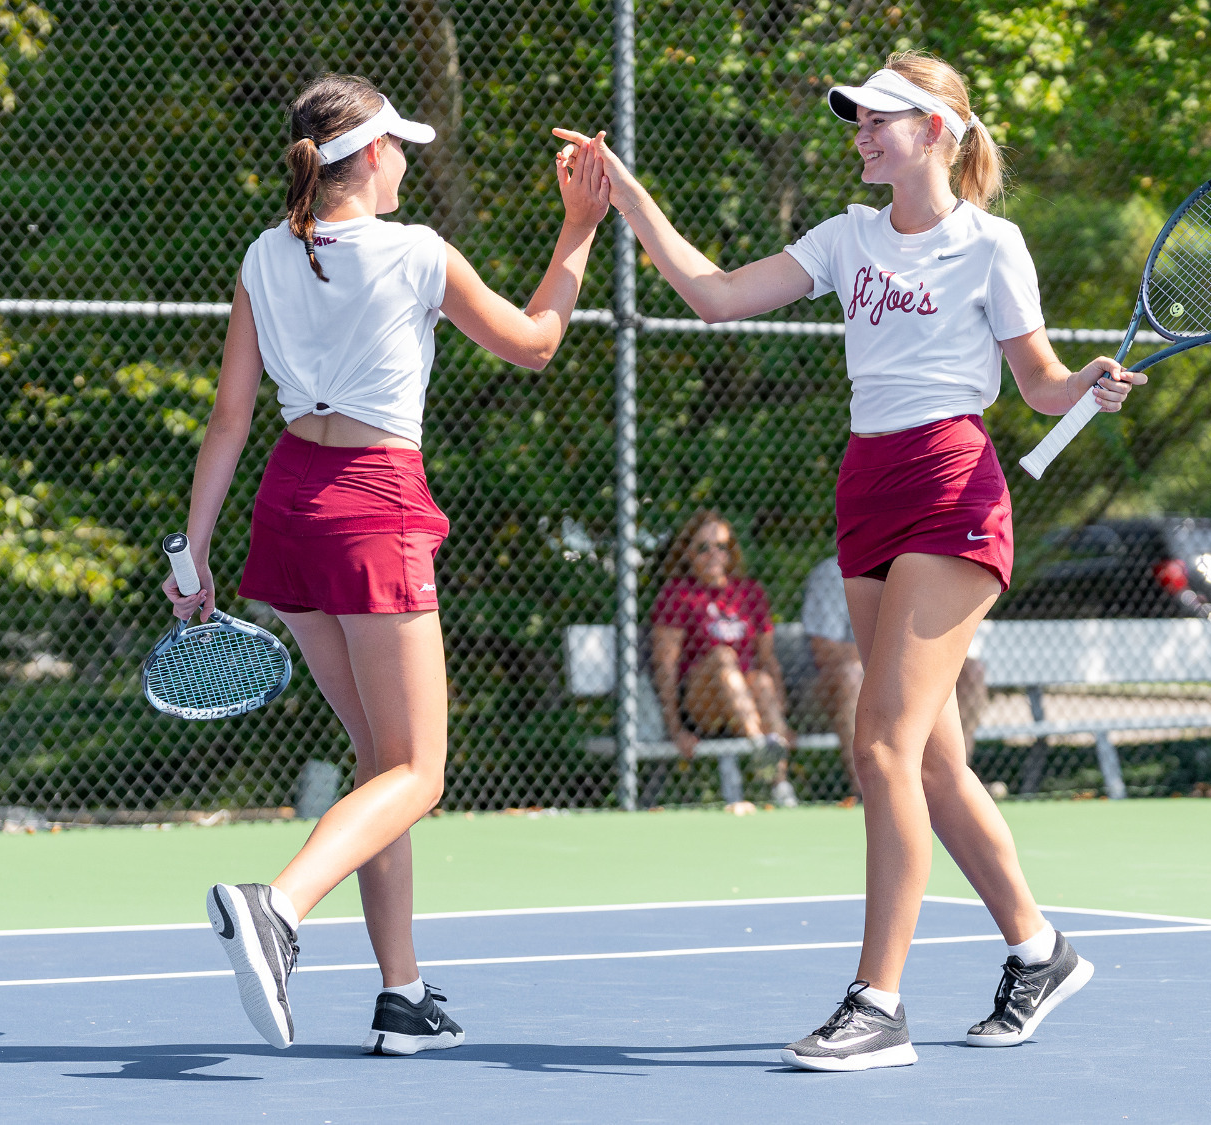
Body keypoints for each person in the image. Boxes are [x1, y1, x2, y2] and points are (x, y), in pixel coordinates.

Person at [558, 49, 1146, 1071]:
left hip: (952, 489)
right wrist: (629, 198)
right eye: (857, 121)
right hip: (865, 488)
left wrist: (1083, 378)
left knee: (877, 747)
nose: (862, 133)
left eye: (881, 119)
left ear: (936, 132)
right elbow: (711, 294)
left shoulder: (991, 245)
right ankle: (1038, 950)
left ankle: (876, 1002)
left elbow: (1038, 385)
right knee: (923, 755)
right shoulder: (845, 237)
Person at [167, 74, 607, 1054]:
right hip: (374, 507)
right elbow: (534, 345)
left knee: (381, 763)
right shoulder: (416, 253)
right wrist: (577, 228)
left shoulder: (262, 253)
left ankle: (400, 994)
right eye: (399, 146)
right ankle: (277, 908)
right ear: (367, 157)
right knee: (421, 772)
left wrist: (191, 550)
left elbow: (230, 416)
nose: (408, 158)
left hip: (289, 507)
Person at [802, 555, 988, 797]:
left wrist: (905, 660)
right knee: (851, 675)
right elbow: (824, 650)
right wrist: (896, 654)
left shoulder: (929, 569)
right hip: (835, 692)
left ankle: (952, 780)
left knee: (970, 672)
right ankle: (868, 791)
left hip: (910, 681)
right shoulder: (833, 572)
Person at [647, 511, 797, 810]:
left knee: (762, 680)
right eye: (703, 547)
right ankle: (761, 747)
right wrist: (675, 729)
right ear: (688, 553)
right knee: (721, 656)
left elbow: (767, 659)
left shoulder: (748, 593)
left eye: (720, 546)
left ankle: (780, 785)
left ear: (731, 552)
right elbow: (665, 666)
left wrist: (781, 718)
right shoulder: (677, 595)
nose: (713, 554)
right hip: (702, 706)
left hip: (747, 699)